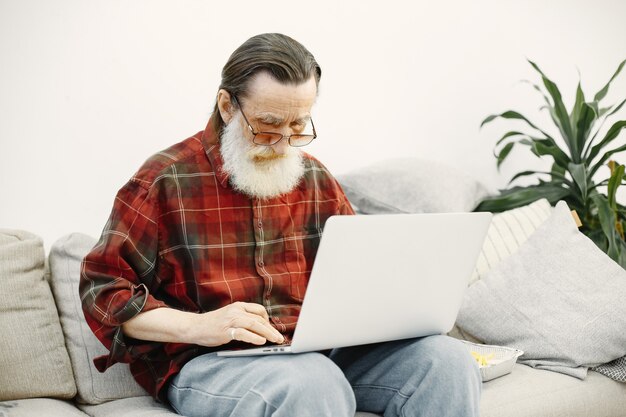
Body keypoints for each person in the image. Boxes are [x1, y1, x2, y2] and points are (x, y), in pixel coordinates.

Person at [80, 33, 481, 417]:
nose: (285, 144)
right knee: (311, 383)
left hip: (317, 351)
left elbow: (360, 277)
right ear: (226, 106)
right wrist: (201, 326)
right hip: (212, 360)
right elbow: (102, 290)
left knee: (445, 361)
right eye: (268, 126)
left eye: (297, 126)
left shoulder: (315, 180)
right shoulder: (164, 180)